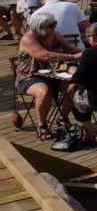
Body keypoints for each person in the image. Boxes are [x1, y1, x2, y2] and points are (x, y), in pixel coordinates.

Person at [14, 11, 82, 139]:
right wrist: (72, 56)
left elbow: (69, 48)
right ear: (40, 27)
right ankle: (42, 125)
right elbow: (46, 56)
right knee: (44, 92)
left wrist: (81, 52)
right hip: (31, 75)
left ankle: (63, 117)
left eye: (54, 24)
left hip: (56, 72)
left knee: (73, 86)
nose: (54, 27)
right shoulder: (28, 39)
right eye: (51, 25)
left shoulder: (55, 34)